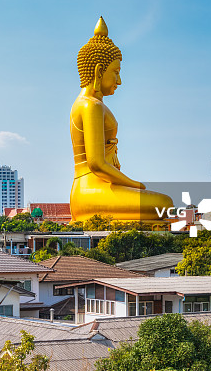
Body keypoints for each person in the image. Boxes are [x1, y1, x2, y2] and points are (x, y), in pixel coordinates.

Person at [70, 17, 174, 222]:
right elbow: (97, 164)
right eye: (115, 72)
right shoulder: (90, 105)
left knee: (164, 206)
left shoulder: (90, 104)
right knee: (164, 204)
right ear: (100, 71)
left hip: (97, 189)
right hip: (90, 191)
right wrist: (134, 184)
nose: (119, 80)